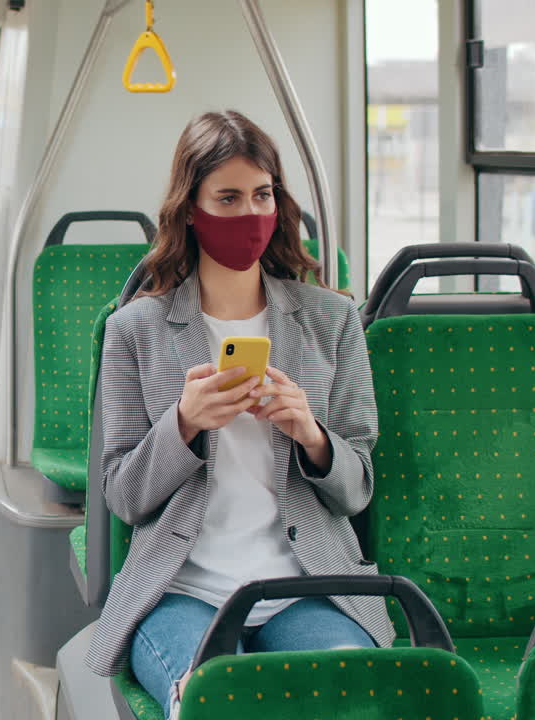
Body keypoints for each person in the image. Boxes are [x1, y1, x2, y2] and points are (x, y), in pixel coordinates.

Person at [83, 110, 393, 718]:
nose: (250, 214)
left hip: (309, 585)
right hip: (182, 589)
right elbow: (123, 494)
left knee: (351, 701)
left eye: (262, 195)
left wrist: (312, 435)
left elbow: (357, 490)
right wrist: (184, 424)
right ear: (191, 210)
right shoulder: (134, 331)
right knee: (216, 703)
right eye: (228, 198)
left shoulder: (332, 320)